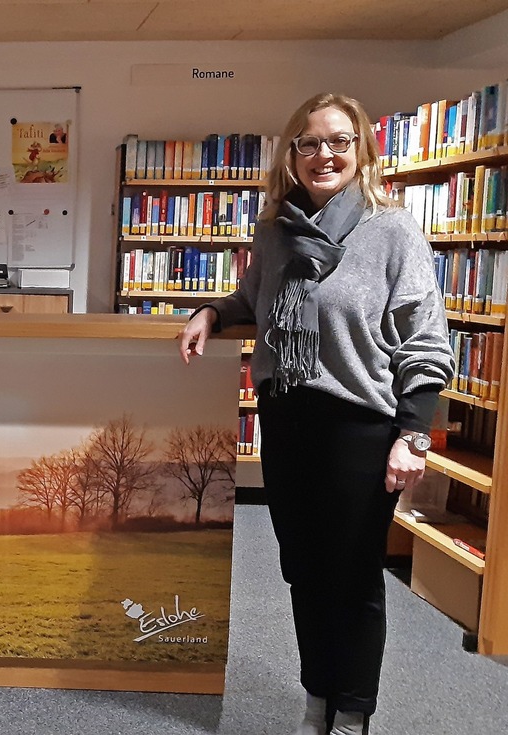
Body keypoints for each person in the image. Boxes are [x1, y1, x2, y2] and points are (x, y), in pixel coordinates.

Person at [177, 93, 454, 735]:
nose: (323, 154)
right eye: (308, 142)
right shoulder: (275, 228)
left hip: (359, 427)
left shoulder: (393, 230)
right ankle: (317, 698)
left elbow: (426, 336)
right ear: (291, 154)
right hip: (287, 422)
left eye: (339, 141)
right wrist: (213, 312)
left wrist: (413, 432)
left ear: (361, 151)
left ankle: (352, 711)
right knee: (302, 571)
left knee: (353, 575)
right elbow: (255, 296)